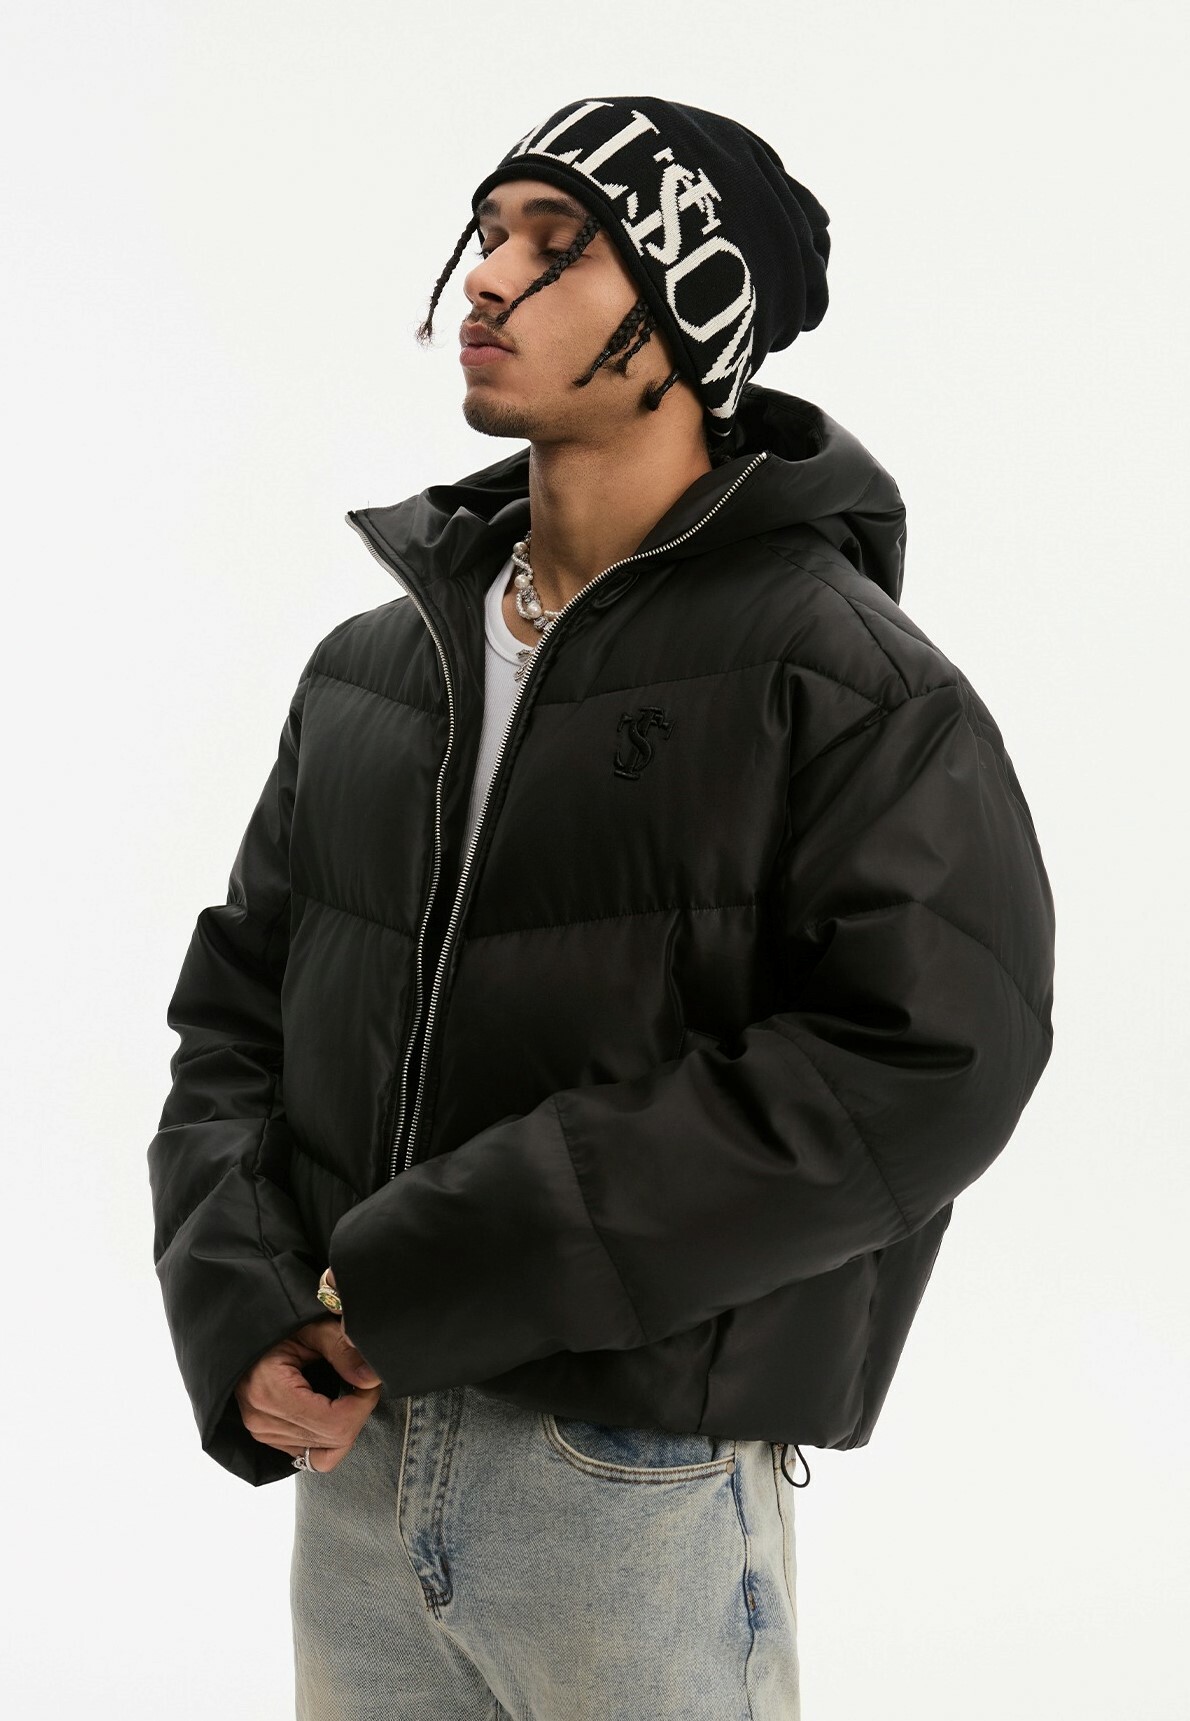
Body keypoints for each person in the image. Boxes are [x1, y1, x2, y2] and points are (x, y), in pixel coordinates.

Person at [148, 94, 1056, 1721]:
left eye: (557, 246)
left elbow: (927, 1059)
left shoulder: (840, 681)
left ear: (692, 315)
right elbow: (233, 1012)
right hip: (353, 1467)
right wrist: (247, 1304)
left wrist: (434, 1266)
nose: (488, 279)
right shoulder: (371, 670)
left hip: (625, 1477)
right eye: (487, 234)